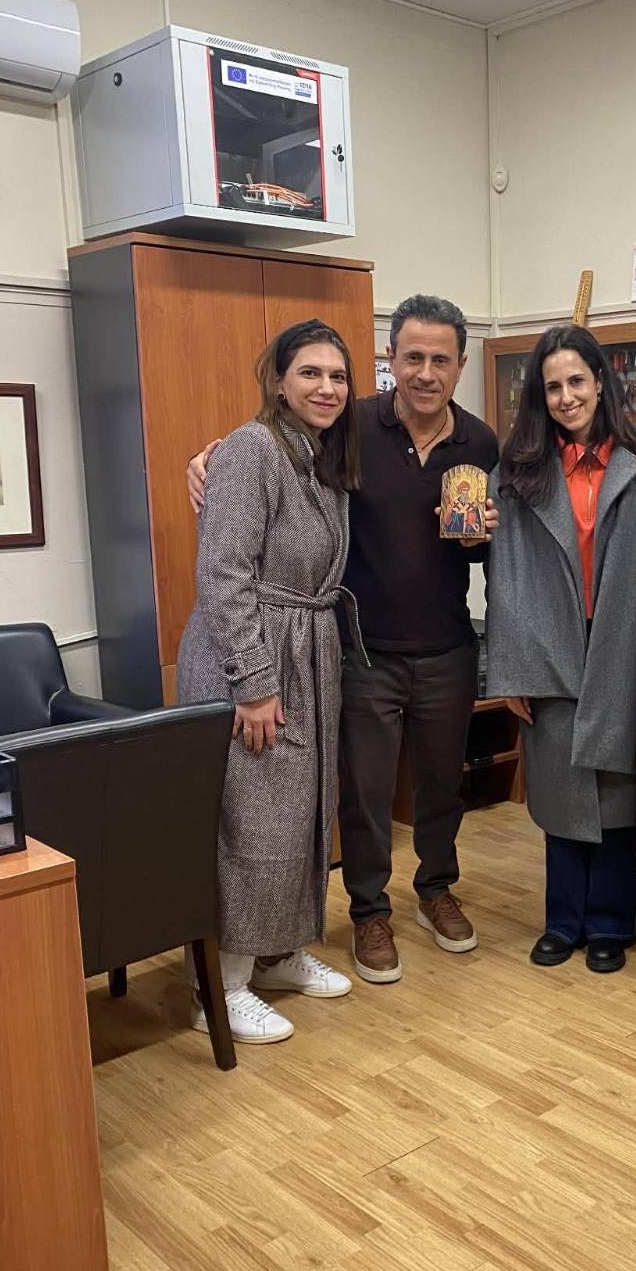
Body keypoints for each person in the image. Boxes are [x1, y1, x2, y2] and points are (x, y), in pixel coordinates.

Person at [188, 294, 499, 986]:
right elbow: (261, 451)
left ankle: (436, 891)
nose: (425, 372)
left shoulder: (481, 443)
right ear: (391, 360)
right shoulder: (348, 425)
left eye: (440, 359)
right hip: (357, 649)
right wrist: (205, 459)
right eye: (412, 357)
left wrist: (482, 540)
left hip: (447, 644)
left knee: (440, 785)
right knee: (360, 793)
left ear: (460, 365)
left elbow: (490, 547)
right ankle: (367, 913)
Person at [177, 319, 361, 1043]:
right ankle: (220, 989)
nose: (326, 387)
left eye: (338, 376)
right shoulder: (253, 449)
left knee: (301, 812)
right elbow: (223, 572)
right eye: (310, 372)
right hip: (252, 657)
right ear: (279, 381)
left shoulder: (320, 457)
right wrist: (253, 683)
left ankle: (278, 952)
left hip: (307, 649)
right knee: (251, 821)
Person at [485, 324, 636, 972]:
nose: (566, 397)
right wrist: (509, 668)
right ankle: (563, 921)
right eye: (553, 386)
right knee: (560, 791)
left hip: (620, 640)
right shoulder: (518, 468)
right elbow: (503, 572)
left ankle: (611, 923)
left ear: (600, 382)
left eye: (576, 381)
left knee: (616, 789)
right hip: (548, 643)